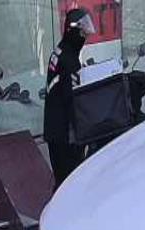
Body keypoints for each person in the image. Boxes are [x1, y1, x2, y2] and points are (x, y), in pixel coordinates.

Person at [44, 9, 95, 190]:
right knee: (69, 184)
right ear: (73, 31)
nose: (84, 38)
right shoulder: (69, 60)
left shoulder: (60, 51)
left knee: (61, 182)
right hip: (64, 134)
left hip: (54, 130)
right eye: (82, 33)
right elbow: (72, 99)